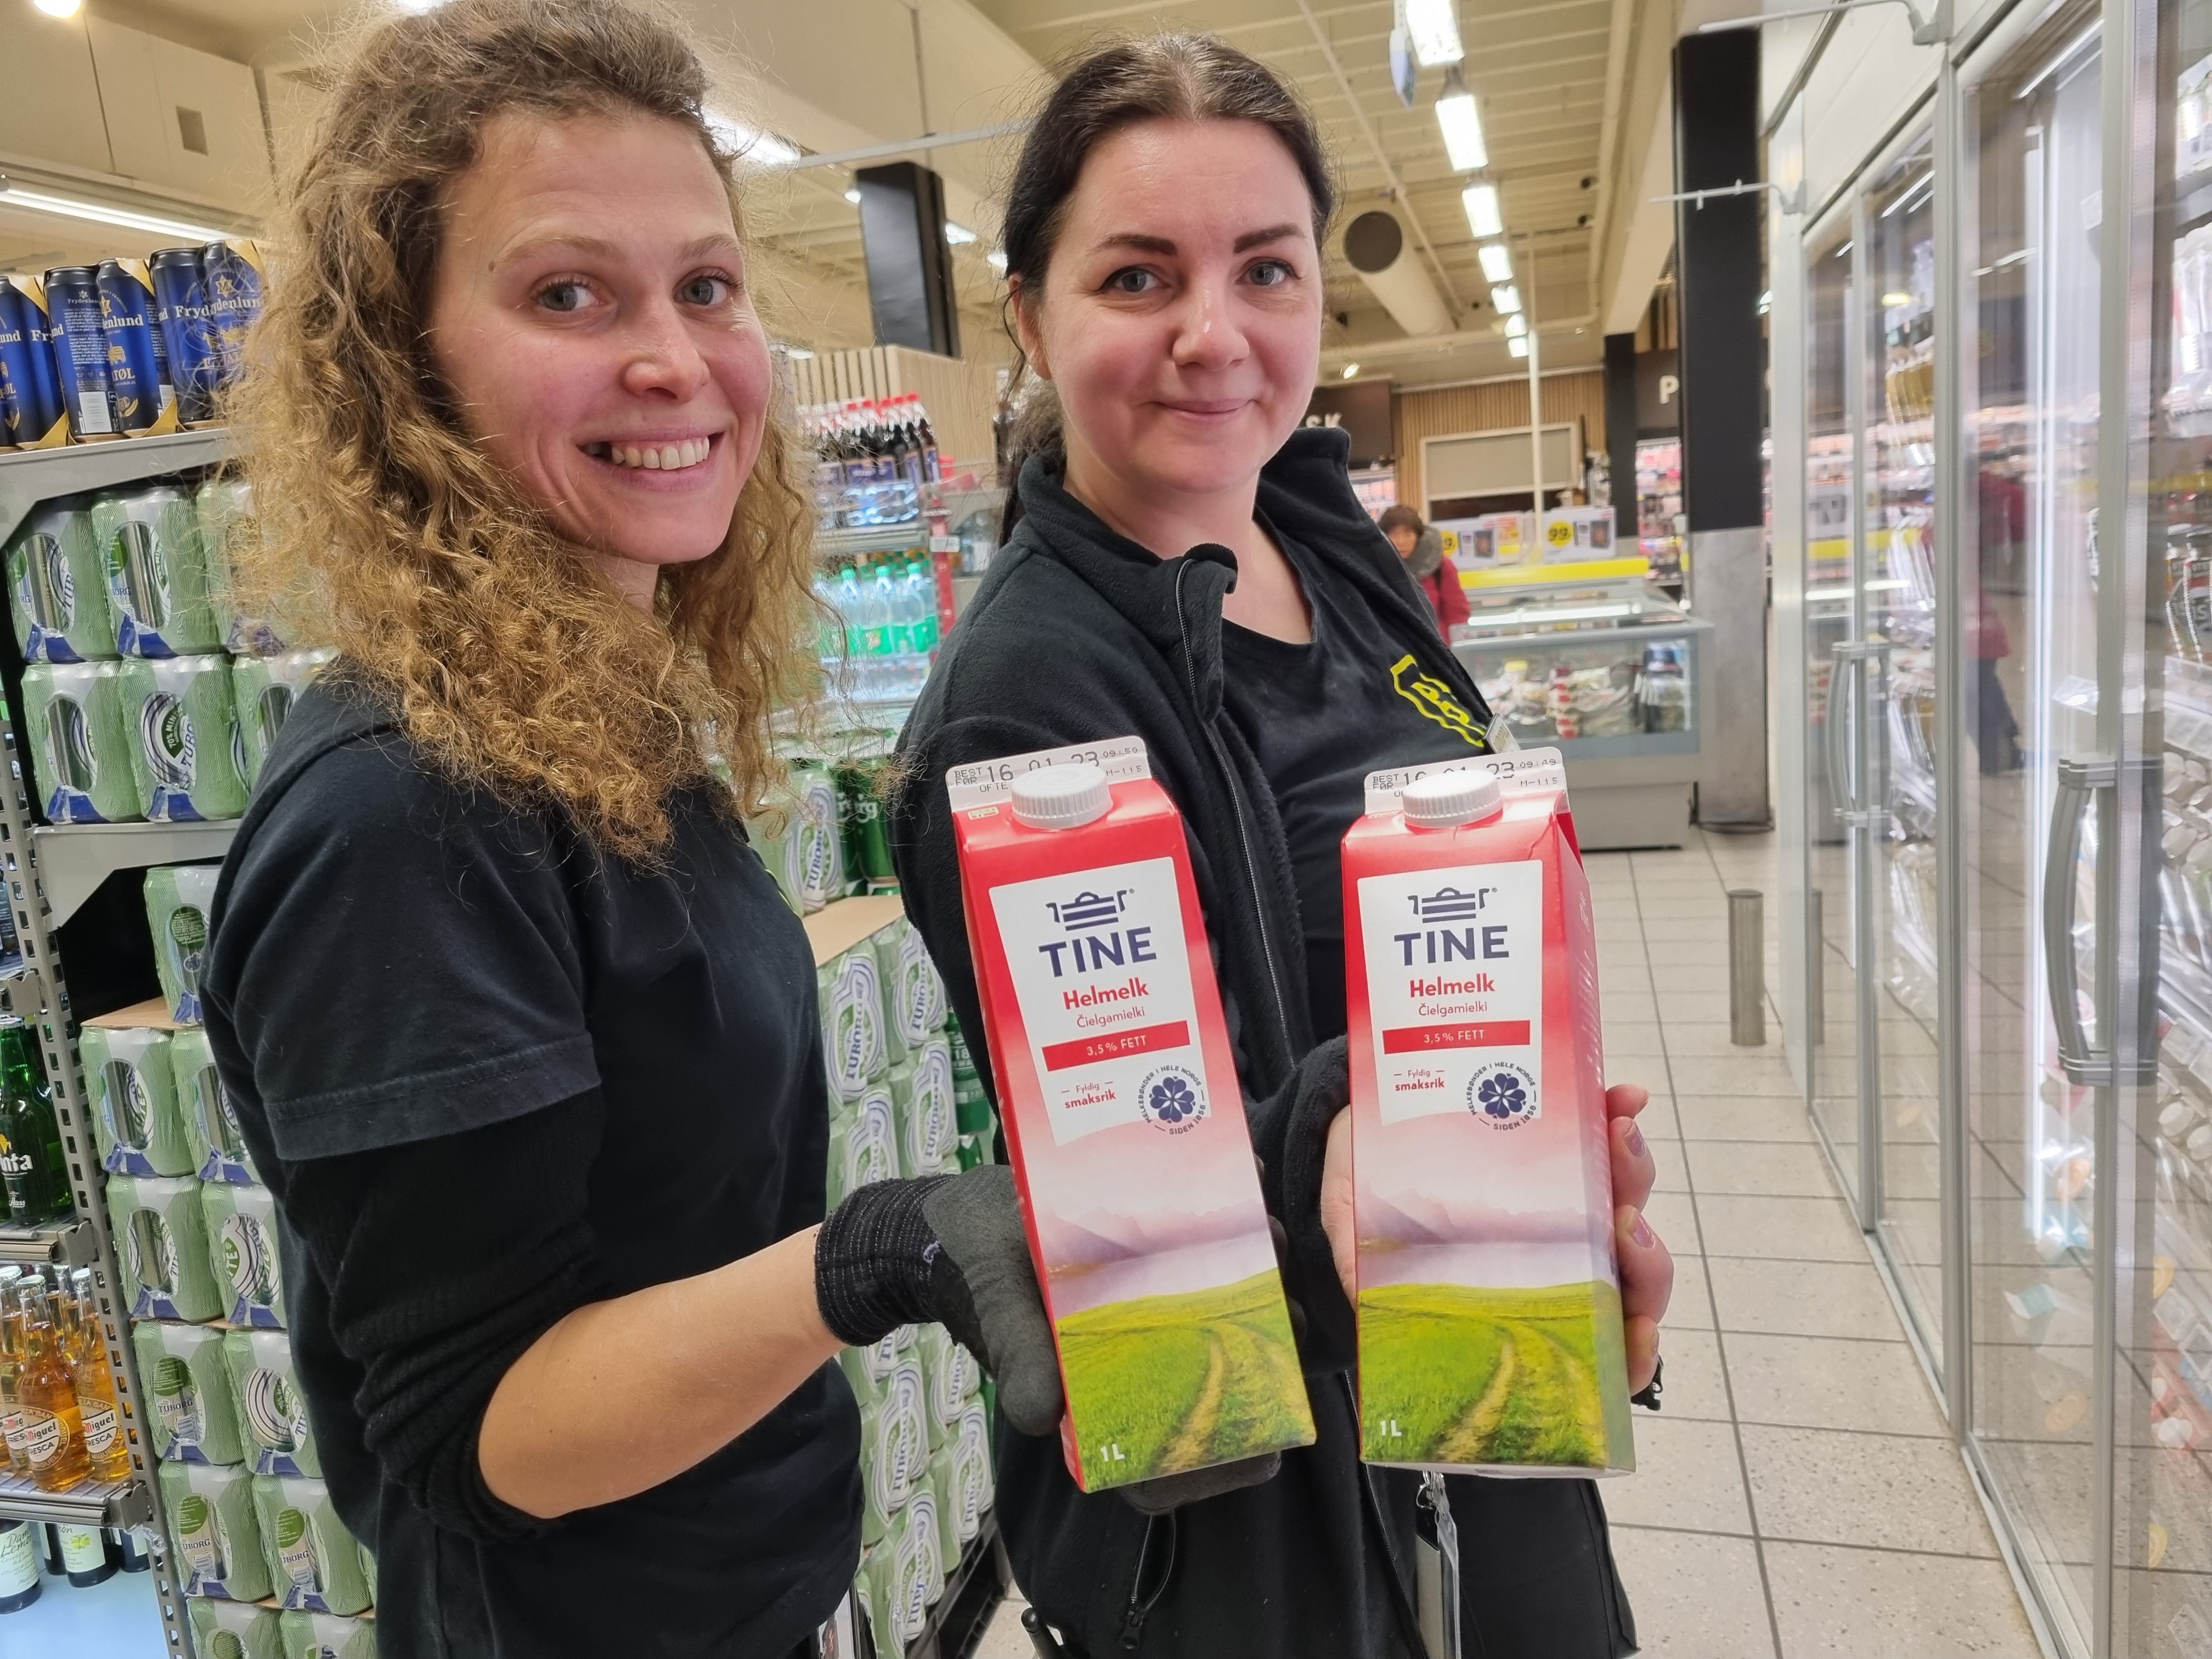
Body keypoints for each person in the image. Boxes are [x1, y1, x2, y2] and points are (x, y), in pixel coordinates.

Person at [200, 4, 1059, 1656]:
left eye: (707, 287)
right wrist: (861, 1261)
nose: (673, 358)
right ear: (404, 359)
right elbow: (479, 1431)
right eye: (568, 294)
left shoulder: (595, 722)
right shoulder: (406, 813)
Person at [891, 35, 1672, 1659]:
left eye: (1266, 268)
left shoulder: (1316, 530)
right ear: (1029, 316)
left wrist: (1548, 1213)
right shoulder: (1028, 703)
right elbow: (1133, 1196)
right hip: (1269, 1530)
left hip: (1480, 1385)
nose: (1215, 332)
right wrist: (1378, 1143)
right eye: (1138, 275)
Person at [1378, 503, 1468, 636]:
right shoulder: (1377, 568)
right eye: (1395, 535)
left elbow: (1457, 614)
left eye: (1408, 534)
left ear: (1418, 536)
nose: (1401, 541)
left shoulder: (1440, 566)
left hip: (1435, 643)